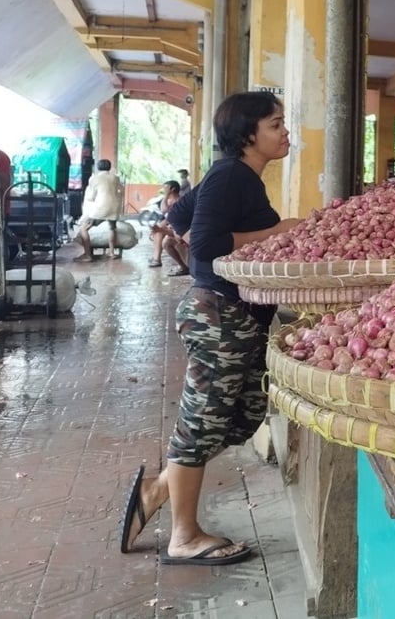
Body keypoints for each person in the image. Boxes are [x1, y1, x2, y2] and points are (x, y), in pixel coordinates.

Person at [119, 91, 301, 565]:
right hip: (220, 314)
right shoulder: (232, 176)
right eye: (276, 124)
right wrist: (277, 234)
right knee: (202, 423)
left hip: (233, 318)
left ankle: (160, 488)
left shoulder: (234, 177)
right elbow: (203, 245)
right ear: (248, 134)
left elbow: (179, 219)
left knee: (241, 417)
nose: (286, 133)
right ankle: (184, 537)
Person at [75, 159, 123, 261]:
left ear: (98, 167)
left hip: (100, 208)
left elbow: (91, 197)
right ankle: (112, 252)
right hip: (114, 207)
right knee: (112, 228)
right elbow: (120, 191)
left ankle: (87, 255)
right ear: (109, 167)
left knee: (83, 229)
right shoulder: (115, 178)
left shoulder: (94, 179)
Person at [148, 180, 189, 276]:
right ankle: (156, 258)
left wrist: (159, 229)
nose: (163, 189)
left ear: (172, 189)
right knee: (158, 232)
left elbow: (168, 214)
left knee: (161, 235)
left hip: (179, 230)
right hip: (173, 227)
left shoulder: (179, 201)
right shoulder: (169, 201)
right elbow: (166, 215)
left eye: (166, 188)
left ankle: (157, 259)